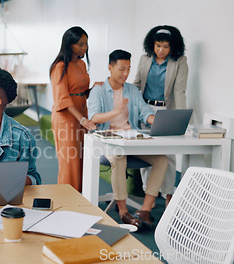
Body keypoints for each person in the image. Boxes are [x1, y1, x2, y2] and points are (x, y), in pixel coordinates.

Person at [88, 49, 168, 230]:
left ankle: (145, 210)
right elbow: (93, 117)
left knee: (161, 159)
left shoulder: (132, 90)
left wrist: (157, 120)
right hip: (107, 143)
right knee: (119, 157)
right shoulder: (98, 90)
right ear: (110, 68)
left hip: (131, 141)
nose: (125, 74)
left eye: (128, 69)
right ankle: (124, 212)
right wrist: (116, 111)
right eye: (121, 69)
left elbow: (144, 113)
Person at [134, 25, 188, 207]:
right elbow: (137, 84)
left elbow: (179, 91)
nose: (161, 50)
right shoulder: (145, 59)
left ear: (173, 46)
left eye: (166, 46)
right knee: (145, 152)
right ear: (152, 44)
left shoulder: (179, 61)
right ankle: (149, 192)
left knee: (169, 155)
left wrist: (180, 118)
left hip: (167, 112)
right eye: (158, 45)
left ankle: (168, 194)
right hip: (145, 109)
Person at [49, 26, 97, 192]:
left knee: (83, 159)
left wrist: (93, 90)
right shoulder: (59, 67)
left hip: (82, 115)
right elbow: (63, 98)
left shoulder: (82, 64)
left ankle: (81, 197)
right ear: (70, 45)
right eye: (80, 44)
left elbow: (80, 93)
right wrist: (81, 119)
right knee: (70, 161)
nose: (84, 48)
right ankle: (67, 198)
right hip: (66, 118)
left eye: (86, 44)